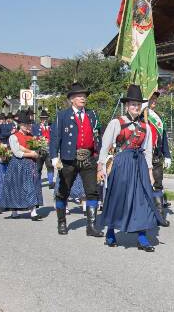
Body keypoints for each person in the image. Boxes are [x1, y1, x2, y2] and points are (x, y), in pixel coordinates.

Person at [96, 85, 167, 251]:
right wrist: (100, 167)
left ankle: (142, 237)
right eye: (132, 104)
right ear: (127, 106)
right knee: (118, 197)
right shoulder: (117, 122)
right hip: (121, 163)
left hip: (139, 164)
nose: (135, 107)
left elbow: (148, 150)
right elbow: (105, 146)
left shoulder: (146, 126)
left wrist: (149, 171)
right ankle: (111, 232)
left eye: (138, 105)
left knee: (141, 200)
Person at [50, 82, 103, 237]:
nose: (83, 98)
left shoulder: (92, 114)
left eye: (84, 96)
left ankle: (91, 226)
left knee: (92, 192)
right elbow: (54, 138)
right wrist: (54, 157)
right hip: (69, 158)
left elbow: (97, 135)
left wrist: (100, 155)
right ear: (71, 99)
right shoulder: (62, 116)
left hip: (88, 158)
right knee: (63, 191)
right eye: (79, 96)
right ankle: (61, 222)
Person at [0, 113, 43, 220]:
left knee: (31, 186)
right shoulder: (13, 137)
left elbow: (36, 149)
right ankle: (14, 212)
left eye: (27, 124)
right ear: (19, 125)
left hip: (30, 164)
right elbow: (17, 153)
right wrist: (31, 154)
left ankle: (33, 212)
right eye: (23, 124)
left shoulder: (31, 136)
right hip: (18, 164)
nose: (26, 126)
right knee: (15, 187)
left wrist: (37, 152)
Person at [146, 91, 172, 218]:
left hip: (156, 155)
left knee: (158, 184)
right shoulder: (141, 115)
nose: (154, 100)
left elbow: (164, 137)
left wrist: (167, 155)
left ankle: (159, 215)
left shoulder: (159, 117)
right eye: (152, 98)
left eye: (156, 98)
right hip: (143, 154)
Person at [32, 110, 55, 189]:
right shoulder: (35, 127)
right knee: (38, 167)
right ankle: (37, 183)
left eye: (46, 118)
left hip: (49, 149)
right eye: (42, 118)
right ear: (40, 119)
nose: (44, 120)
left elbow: (55, 137)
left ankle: (51, 182)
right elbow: (33, 138)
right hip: (39, 150)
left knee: (50, 166)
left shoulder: (52, 126)